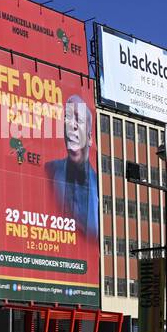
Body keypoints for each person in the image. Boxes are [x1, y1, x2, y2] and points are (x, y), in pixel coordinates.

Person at [45, 94, 99, 239]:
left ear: (89, 138)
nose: (72, 125)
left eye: (78, 119)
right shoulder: (48, 172)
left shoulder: (99, 188)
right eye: (67, 119)